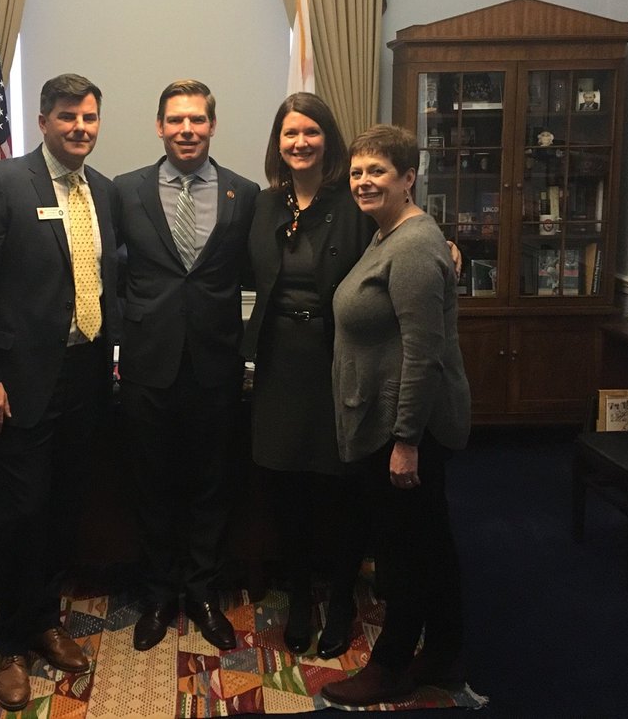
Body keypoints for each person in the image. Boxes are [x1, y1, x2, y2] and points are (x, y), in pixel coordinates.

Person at [0, 73, 117, 712]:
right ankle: (11, 645)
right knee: (21, 513)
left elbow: (102, 278)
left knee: (65, 507)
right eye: (68, 116)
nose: (81, 128)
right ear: (44, 120)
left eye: (90, 117)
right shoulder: (2, 183)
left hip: (84, 376)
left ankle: (45, 620)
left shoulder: (100, 191)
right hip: (16, 386)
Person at [322, 125, 471, 706]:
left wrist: (405, 441)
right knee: (430, 541)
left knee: (405, 552)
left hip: (406, 431)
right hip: (391, 424)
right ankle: (444, 655)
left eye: (377, 171)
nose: (363, 180)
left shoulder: (412, 247)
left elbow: (424, 354)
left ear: (409, 177)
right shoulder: (388, 234)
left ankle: (390, 666)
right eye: (358, 171)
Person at [114, 78, 260, 653]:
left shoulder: (243, 193)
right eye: (176, 120)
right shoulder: (124, 190)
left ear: (212, 126)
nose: (186, 130)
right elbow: (98, 265)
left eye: (197, 120)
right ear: (159, 126)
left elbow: (266, 265)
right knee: (151, 485)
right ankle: (156, 595)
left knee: (211, 484)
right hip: (148, 365)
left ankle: (201, 593)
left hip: (215, 365)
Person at [240, 92, 374, 658]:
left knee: (338, 488)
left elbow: (401, 237)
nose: (300, 142)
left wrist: (448, 247)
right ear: (278, 143)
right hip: (278, 362)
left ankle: (340, 599)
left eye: (310, 132)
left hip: (336, 359)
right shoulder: (265, 205)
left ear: (328, 140)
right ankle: (298, 597)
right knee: (286, 487)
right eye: (290, 134)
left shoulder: (355, 201)